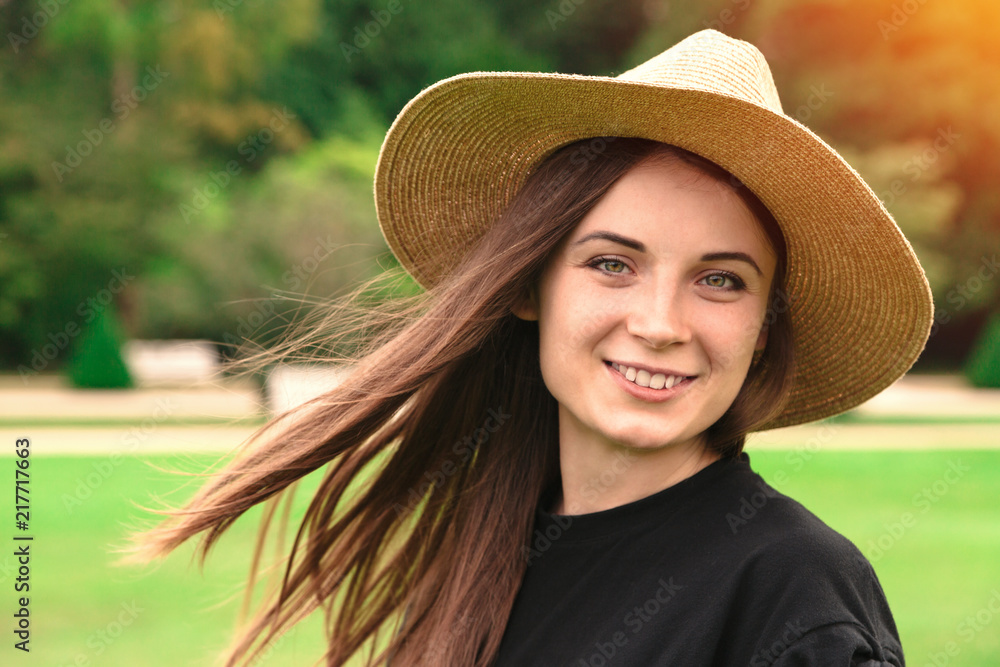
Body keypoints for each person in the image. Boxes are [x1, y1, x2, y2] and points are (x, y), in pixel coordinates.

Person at [123, 29, 933, 666]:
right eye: (612, 263)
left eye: (720, 280)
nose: (660, 323)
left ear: (764, 330)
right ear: (528, 287)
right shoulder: (482, 551)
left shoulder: (794, 593)